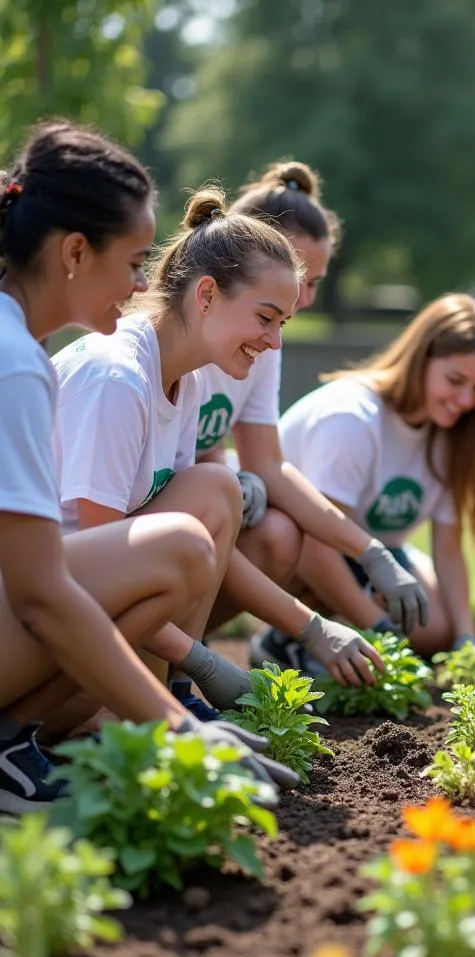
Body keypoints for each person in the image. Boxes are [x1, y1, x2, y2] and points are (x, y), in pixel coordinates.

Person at [0, 121, 294, 813]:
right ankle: (15, 746)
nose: (142, 283)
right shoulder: (25, 364)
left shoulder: (24, 350)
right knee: (180, 545)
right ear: (75, 252)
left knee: (200, 514)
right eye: (134, 263)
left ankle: (20, 745)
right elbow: (42, 590)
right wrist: (181, 727)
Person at [51, 187, 383, 720]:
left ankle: (170, 698)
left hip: (75, 609)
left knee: (217, 488)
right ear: (206, 295)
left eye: (282, 324)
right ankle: (34, 736)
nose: (274, 342)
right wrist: (204, 660)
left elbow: (198, 545)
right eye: (266, 318)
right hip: (35, 616)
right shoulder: (117, 378)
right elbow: (96, 565)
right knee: (193, 524)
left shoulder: (190, 382)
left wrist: (312, 629)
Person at [188, 161, 427, 674]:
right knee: (259, 525)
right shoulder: (185, 346)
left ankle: (175, 657)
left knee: (275, 532)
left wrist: (371, 552)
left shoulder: (261, 345)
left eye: (314, 282)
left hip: (175, 525)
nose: (303, 297)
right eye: (298, 276)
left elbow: (268, 467)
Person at [278, 292, 475, 656]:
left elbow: (448, 549)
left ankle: (334, 635)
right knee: (402, 630)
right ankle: (285, 639)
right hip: (290, 552)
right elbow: (315, 550)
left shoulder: (450, 433)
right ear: (421, 359)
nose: (467, 400)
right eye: (455, 380)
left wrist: (467, 639)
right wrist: (381, 631)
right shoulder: (352, 419)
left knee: (435, 630)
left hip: (371, 557)